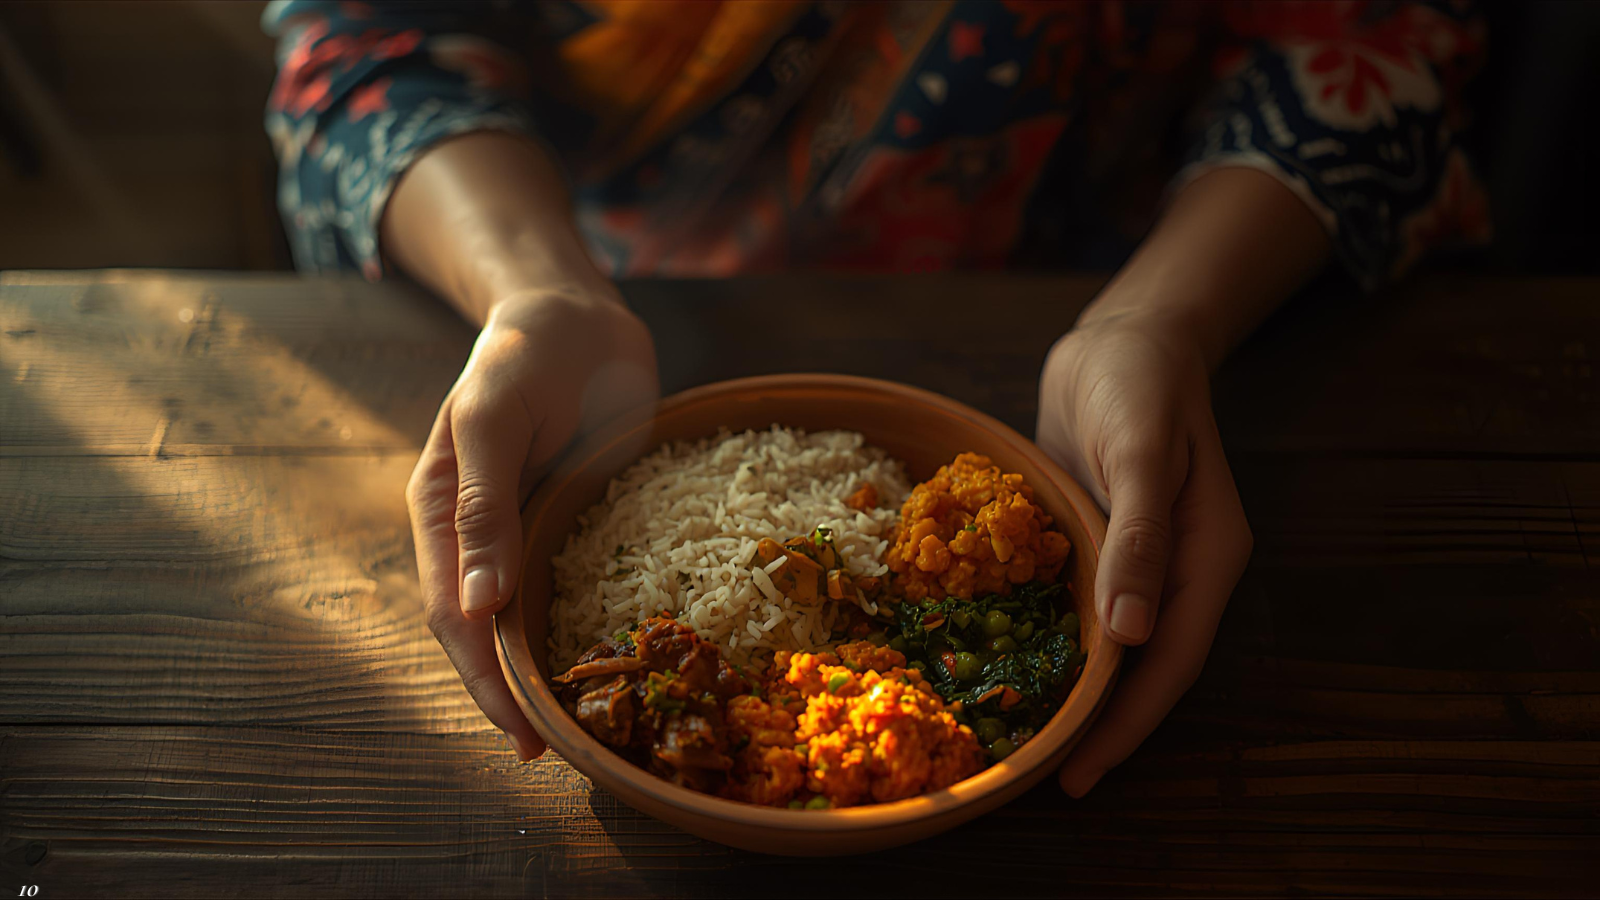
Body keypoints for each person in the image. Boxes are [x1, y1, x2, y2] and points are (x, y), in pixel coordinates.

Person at [264, 0, 1487, 797]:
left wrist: (1157, 318)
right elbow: (365, 51)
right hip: (611, 269)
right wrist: (533, 291)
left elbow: (1377, 44)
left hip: (1110, 258)